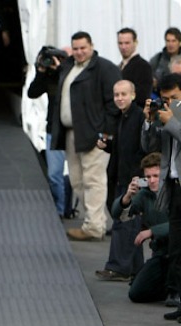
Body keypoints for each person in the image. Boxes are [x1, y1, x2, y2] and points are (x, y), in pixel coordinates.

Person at [50, 31, 121, 241]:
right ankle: (94, 221)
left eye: (83, 48)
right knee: (77, 180)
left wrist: (106, 133)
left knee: (93, 180)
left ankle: (94, 226)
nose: (79, 52)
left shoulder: (105, 68)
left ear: (91, 46)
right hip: (72, 133)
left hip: (95, 135)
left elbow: (114, 103)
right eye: (76, 48)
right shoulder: (69, 66)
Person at [94, 80, 146, 281]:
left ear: (133, 94)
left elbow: (143, 147)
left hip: (131, 178)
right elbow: (123, 146)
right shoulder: (122, 117)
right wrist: (107, 146)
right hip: (122, 176)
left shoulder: (139, 117)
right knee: (128, 223)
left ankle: (118, 267)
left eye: (123, 94)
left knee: (123, 223)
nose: (119, 98)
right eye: (116, 95)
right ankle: (134, 267)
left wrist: (138, 177)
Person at [142, 73, 181, 321]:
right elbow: (149, 147)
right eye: (165, 98)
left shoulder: (174, 116)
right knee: (177, 248)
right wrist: (149, 122)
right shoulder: (167, 114)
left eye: (175, 97)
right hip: (174, 187)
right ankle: (178, 297)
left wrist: (171, 122)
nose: (170, 103)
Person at [111, 153, 169, 303]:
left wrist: (151, 232)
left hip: (176, 249)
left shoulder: (175, 191)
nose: (152, 181)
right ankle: (166, 287)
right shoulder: (145, 194)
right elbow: (119, 215)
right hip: (161, 252)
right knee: (137, 293)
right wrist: (127, 197)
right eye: (148, 177)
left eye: (156, 176)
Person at [28, 45, 71, 218]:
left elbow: (69, 84)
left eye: (60, 57)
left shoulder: (72, 73)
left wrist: (61, 68)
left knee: (79, 176)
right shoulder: (49, 76)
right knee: (54, 174)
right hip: (54, 129)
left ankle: (68, 208)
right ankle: (59, 211)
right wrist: (41, 71)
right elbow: (32, 93)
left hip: (74, 129)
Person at [117, 28, 152, 108]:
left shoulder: (143, 66)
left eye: (127, 43)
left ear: (135, 42)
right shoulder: (119, 66)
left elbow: (143, 96)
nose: (123, 47)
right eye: (120, 43)